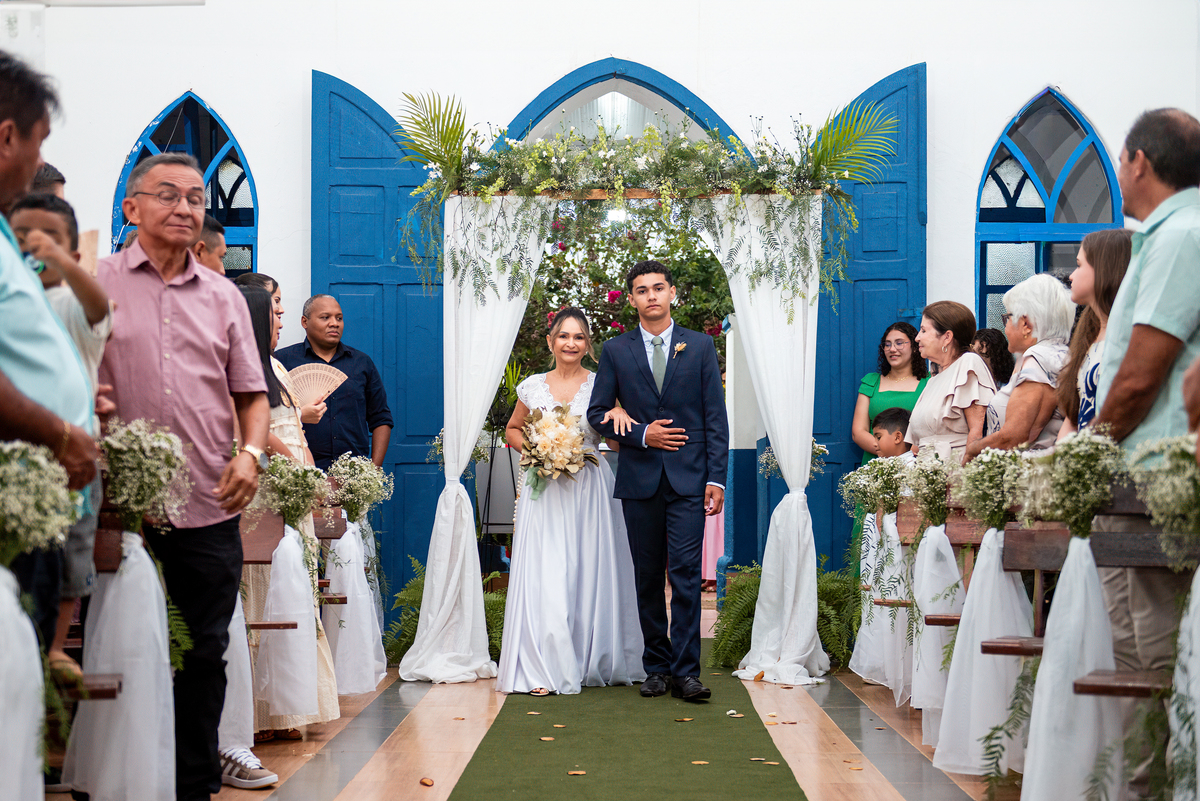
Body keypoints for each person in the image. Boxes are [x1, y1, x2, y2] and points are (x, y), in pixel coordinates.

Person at [96, 151, 270, 801]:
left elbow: (252, 395)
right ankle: (112, 781)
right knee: (119, 646)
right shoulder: (97, 283)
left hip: (208, 499)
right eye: (167, 194)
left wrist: (250, 455)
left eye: (196, 197)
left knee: (202, 651)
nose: (184, 207)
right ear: (131, 207)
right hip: (118, 501)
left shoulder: (224, 296)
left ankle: (192, 785)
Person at [1091, 108, 1200, 799]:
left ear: (1139, 161)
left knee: (1154, 647)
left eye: (1120, 159)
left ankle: (1158, 786)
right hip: (1137, 478)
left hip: (1157, 476)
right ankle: (1142, 784)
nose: (1119, 172)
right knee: (1132, 649)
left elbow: (1142, 371)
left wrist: (1085, 457)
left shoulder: (1183, 235)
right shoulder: (1165, 234)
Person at [587, 260, 730, 702]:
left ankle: (687, 673)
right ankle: (656, 667)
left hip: (690, 480)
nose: (651, 295)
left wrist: (717, 478)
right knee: (647, 576)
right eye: (642, 289)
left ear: (672, 294)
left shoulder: (700, 345)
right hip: (639, 479)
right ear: (632, 299)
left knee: (685, 575)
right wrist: (641, 433)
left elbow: (714, 416)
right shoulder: (616, 350)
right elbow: (597, 414)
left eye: (658, 287)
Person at [0, 52, 97, 667]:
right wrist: (60, 431)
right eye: (40, 143)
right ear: (8, 136)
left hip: (35, 484)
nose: (41, 164)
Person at [497, 308, 645, 696]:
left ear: (587, 344)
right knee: (546, 571)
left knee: (587, 568)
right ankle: (543, 663)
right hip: (543, 490)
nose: (571, 343)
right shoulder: (531, 387)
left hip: (589, 489)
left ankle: (587, 657)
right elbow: (512, 429)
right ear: (551, 341)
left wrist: (621, 416)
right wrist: (537, 450)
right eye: (564, 336)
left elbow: (614, 441)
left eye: (579, 337)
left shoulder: (602, 386)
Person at [10, 193, 112, 679]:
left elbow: (98, 306)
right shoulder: (12, 301)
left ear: (73, 254)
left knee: (73, 550)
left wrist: (63, 265)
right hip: (17, 454)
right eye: (23, 237)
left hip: (74, 457)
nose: (35, 246)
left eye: (49, 238)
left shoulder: (73, 303)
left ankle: (54, 648)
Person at [233, 285, 338, 744]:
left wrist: (310, 474)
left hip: (293, 488)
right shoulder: (238, 366)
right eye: (274, 311)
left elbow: (295, 428)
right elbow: (249, 427)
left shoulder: (277, 367)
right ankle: (259, 712)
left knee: (298, 592)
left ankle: (289, 708)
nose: (280, 318)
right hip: (265, 490)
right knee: (262, 592)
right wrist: (292, 465)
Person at [275, 294, 392, 470]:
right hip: (300, 472)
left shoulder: (361, 363)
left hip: (353, 474)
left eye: (339, 318)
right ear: (305, 322)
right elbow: (271, 418)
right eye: (325, 317)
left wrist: (374, 468)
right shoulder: (282, 362)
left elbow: (381, 418)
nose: (334, 323)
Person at [965, 274, 1073, 461]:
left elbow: (1014, 436)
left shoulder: (1038, 359)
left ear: (1025, 324)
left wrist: (972, 450)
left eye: (1007, 317)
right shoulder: (1059, 353)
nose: (1005, 327)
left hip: (1028, 470)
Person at [1056, 229, 1132, 435]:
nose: (1071, 275)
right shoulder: (1088, 334)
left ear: (1105, 270)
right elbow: (1074, 416)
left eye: (1079, 265)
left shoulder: (1130, 338)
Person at [905, 301, 997, 463]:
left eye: (924, 330)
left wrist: (964, 472)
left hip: (955, 468)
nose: (917, 338)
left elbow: (976, 432)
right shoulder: (932, 381)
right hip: (928, 471)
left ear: (947, 337)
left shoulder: (968, 363)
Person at [851, 322, 929, 464]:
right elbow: (858, 432)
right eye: (887, 344)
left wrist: (904, 458)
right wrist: (888, 454)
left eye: (899, 343)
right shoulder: (871, 382)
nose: (892, 349)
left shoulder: (929, 383)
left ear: (914, 347)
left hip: (913, 465)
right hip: (875, 464)